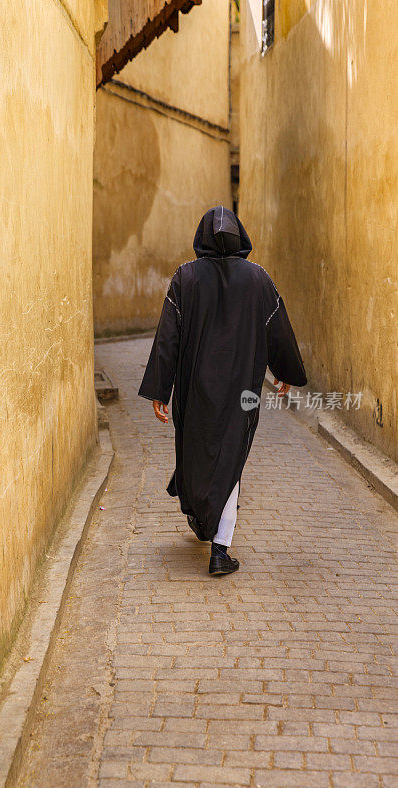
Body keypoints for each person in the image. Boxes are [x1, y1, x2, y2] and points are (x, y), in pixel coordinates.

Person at [138, 206, 307, 575]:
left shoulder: (185, 278)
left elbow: (168, 337)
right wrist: (285, 371)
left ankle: (211, 535)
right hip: (240, 390)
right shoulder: (258, 279)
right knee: (231, 458)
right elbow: (276, 327)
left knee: (200, 450)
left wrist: (159, 389)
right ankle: (217, 544)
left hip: (194, 388)